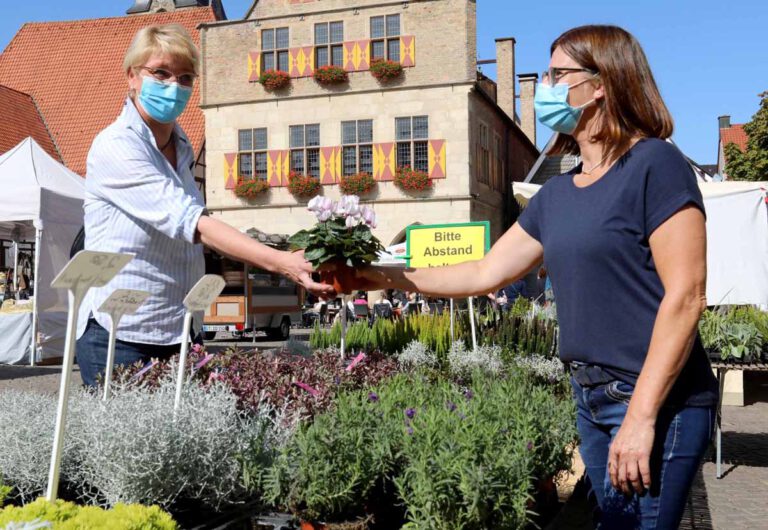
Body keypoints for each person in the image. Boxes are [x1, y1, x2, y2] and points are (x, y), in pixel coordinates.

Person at [356, 25, 717, 529]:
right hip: (590, 397)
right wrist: (382, 276)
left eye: (558, 74)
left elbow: (686, 295)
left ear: (602, 85)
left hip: (655, 398)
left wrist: (640, 416)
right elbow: (484, 271)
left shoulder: (654, 163)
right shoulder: (557, 196)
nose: (547, 87)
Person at [75, 25, 332, 387]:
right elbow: (193, 223)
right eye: (160, 73)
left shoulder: (182, 146)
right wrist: (283, 263)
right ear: (132, 76)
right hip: (121, 332)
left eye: (185, 78)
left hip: (177, 328)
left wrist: (288, 254)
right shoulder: (117, 146)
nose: (173, 86)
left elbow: (201, 230)